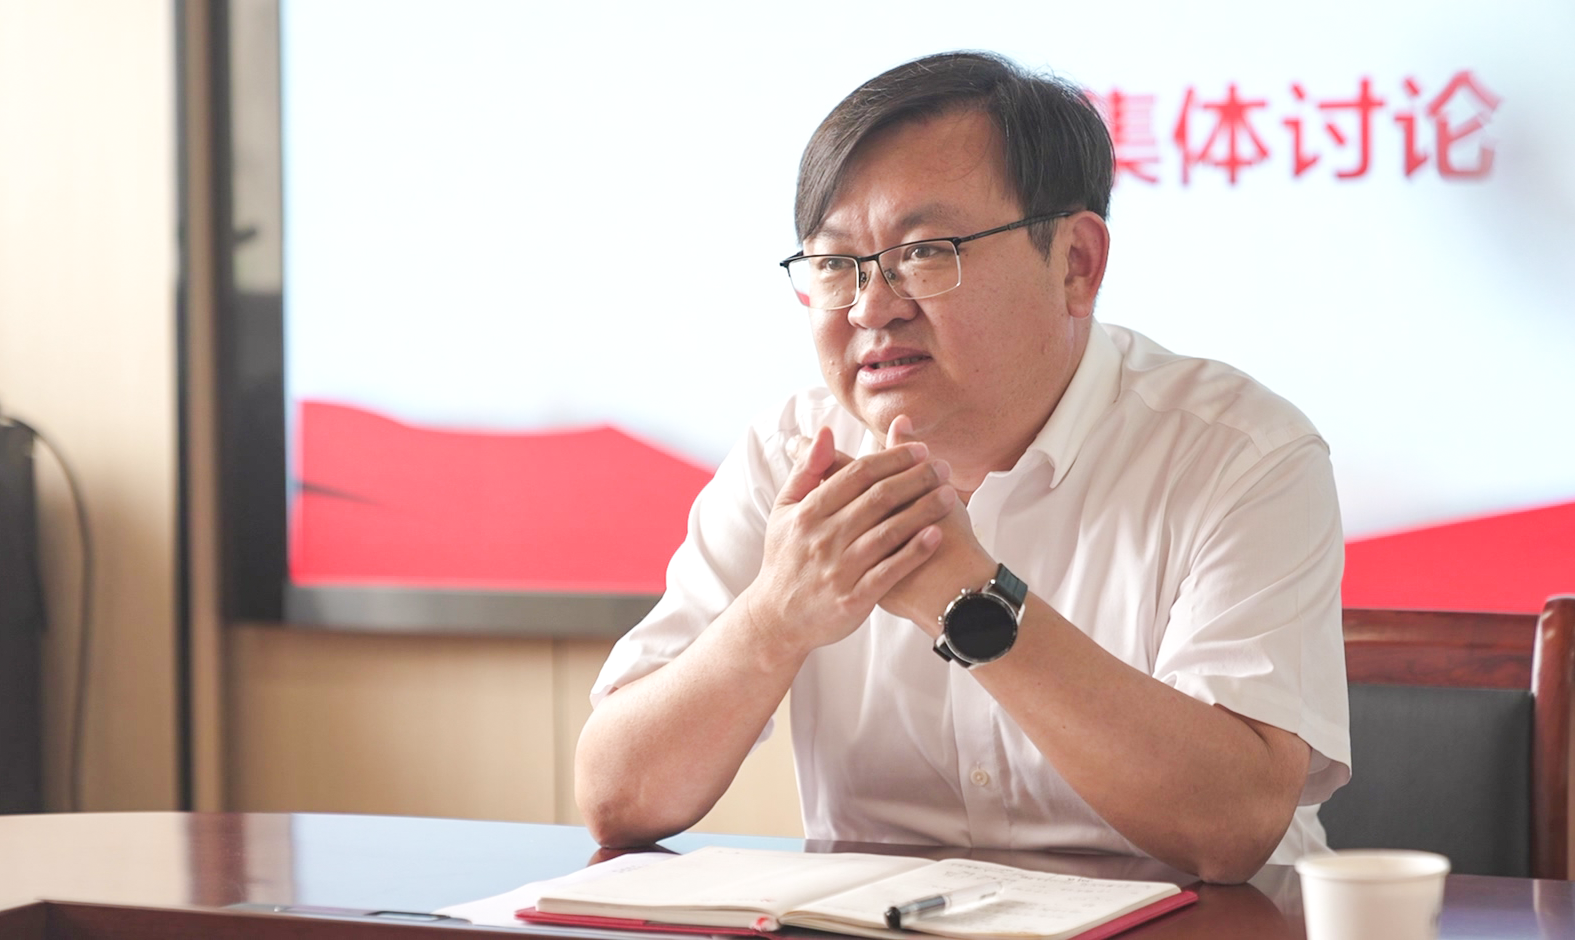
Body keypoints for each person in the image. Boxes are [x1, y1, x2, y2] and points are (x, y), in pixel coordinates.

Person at [575, 51, 1349, 884]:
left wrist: (969, 599)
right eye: (835, 264)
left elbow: (1231, 824)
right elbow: (617, 795)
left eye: (925, 252)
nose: (871, 307)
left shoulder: (1241, 454)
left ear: (1075, 264)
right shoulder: (793, 456)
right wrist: (775, 620)